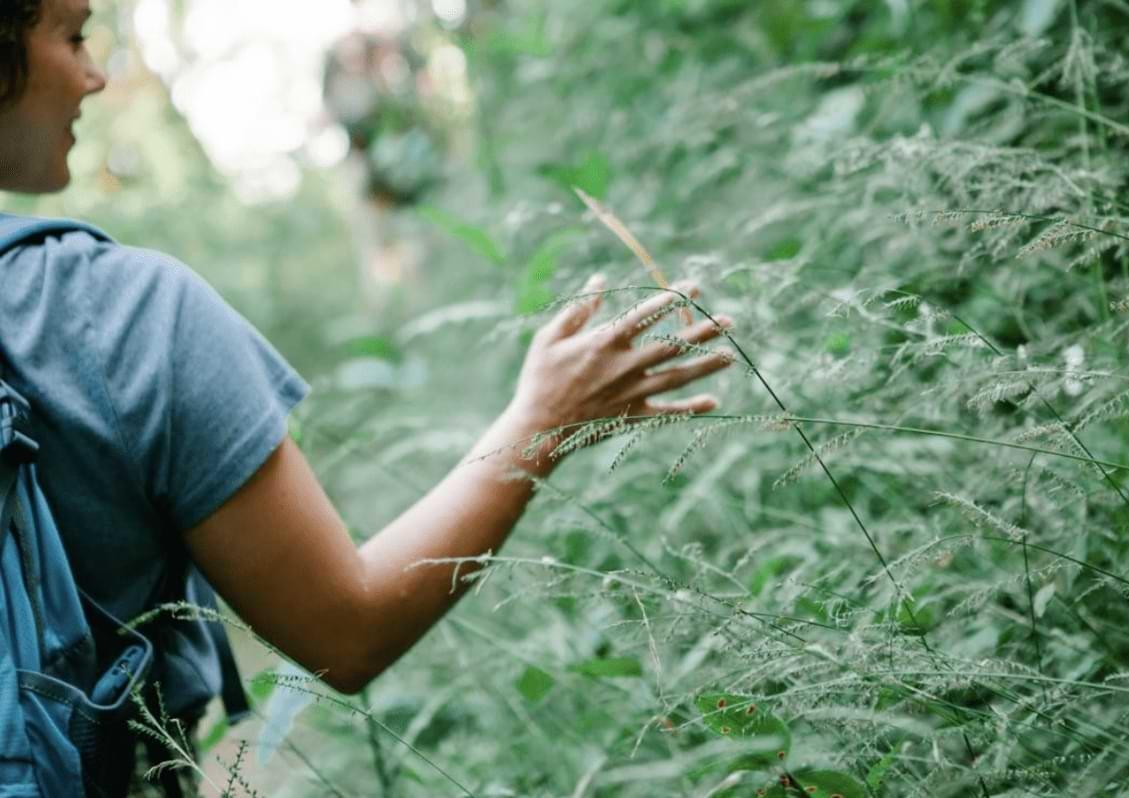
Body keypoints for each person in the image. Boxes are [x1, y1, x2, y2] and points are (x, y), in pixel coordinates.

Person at [0, 0, 734, 792]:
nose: (95, 74)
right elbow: (345, 631)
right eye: (73, 35)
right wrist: (544, 418)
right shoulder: (117, 312)